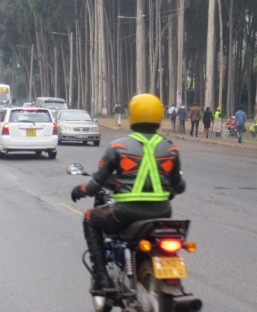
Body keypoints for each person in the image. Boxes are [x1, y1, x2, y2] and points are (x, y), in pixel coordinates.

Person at [70, 94, 186, 296]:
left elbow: (96, 183)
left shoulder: (118, 146)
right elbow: (179, 186)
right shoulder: (171, 148)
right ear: (160, 116)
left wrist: (79, 190)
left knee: (89, 218)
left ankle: (101, 278)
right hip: (163, 214)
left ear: (131, 115)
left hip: (125, 213)